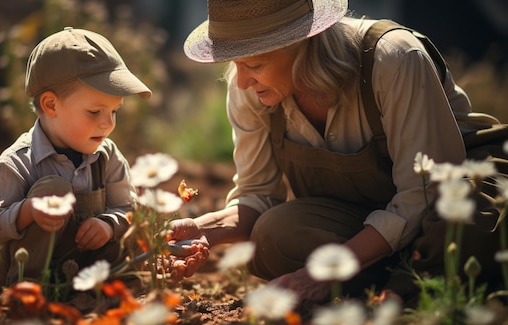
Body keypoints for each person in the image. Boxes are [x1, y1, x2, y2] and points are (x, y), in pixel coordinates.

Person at [168, 0, 505, 307]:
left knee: (464, 229)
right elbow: (256, 194)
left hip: (449, 199)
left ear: (302, 43)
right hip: (366, 212)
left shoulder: (394, 59)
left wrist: (324, 273)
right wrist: (205, 229)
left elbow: (423, 195)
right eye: (235, 64)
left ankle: (410, 288)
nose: (241, 82)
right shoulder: (250, 88)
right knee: (275, 235)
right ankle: (405, 284)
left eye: (254, 63)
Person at [0, 27, 151, 287]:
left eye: (114, 111)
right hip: (30, 279)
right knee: (54, 189)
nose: (108, 124)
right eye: (95, 112)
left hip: (88, 275)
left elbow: (129, 209)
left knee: (135, 232)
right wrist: (28, 211)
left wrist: (108, 224)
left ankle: (113, 289)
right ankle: (27, 293)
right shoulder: (16, 163)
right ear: (51, 105)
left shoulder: (108, 156)